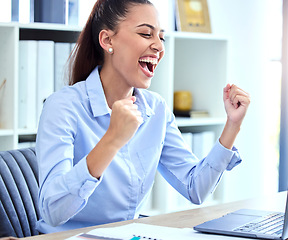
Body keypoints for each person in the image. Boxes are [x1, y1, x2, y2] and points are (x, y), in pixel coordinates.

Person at [35, 0, 251, 234]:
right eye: (146, 34)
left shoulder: (156, 109)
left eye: (161, 37)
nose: (159, 46)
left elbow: (195, 188)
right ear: (108, 40)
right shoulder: (63, 106)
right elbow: (52, 210)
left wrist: (232, 125)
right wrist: (112, 139)